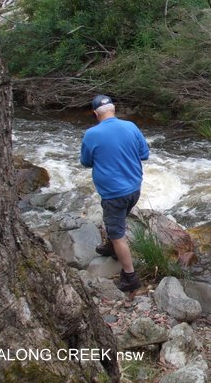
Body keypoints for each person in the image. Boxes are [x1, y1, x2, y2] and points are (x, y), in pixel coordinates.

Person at [80, 95, 150, 292]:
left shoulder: (91, 134)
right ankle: (111, 246)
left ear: (95, 114)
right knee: (116, 221)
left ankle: (130, 277)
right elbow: (144, 154)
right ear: (113, 109)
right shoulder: (131, 127)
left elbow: (86, 162)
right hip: (134, 189)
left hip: (113, 193)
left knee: (118, 233)